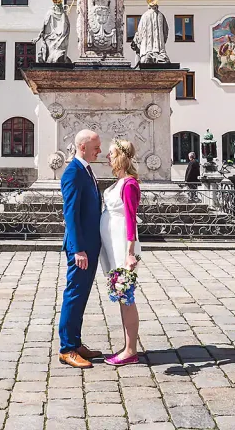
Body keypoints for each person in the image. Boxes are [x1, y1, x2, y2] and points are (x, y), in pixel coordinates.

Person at [58, 129, 104, 369]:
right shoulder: (73, 173)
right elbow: (71, 214)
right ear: (83, 146)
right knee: (74, 295)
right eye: (96, 147)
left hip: (89, 245)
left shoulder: (86, 169)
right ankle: (67, 349)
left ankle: (75, 343)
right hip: (81, 248)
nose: (100, 151)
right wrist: (78, 249)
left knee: (81, 295)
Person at [100, 139, 141, 365]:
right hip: (112, 246)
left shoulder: (129, 184)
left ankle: (131, 350)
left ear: (121, 156)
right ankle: (127, 346)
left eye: (111, 153)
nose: (107, 157)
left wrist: (130, 253)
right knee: (121, 296)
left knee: (126, 296)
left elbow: (131, 220)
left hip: (122, 248)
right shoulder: (120, 182)